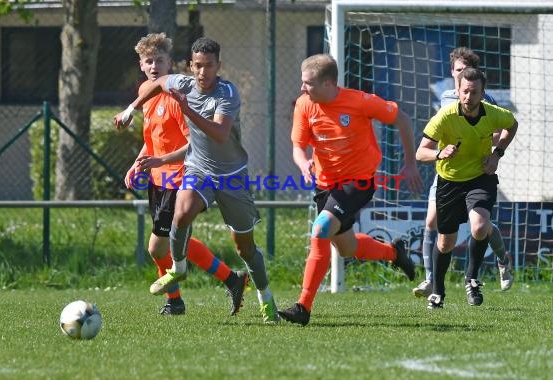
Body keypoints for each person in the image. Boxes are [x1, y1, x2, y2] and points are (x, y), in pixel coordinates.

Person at [114, 37, 279, 324]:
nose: (203, 73)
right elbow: (157, 84)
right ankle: (178, 270)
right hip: (198, 170)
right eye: (198, 66)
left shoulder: (226, 93)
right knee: (182, 212)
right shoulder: (183, 84)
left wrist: (186, 109)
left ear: (219, 66)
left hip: (230, 177)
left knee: (246, 249)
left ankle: (265, 299)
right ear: (190, 66)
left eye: (209, 66)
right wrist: (132, 108)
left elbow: (219, 134)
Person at [277, 54, 423, 326]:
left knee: (320, 229)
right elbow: (298, 146)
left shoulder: (360, 102)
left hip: (359, 182)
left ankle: (303, 307)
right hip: (325, 185)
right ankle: (394, 253)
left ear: (329, 83)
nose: (302, 88)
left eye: (308, 83)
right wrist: (303, 163)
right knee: (346, 248)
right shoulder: (304, 105)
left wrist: (410, 164)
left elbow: (402, 119)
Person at [413, 47, 514, 298]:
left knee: (479, 226)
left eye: (472, 86)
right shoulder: (446, 102)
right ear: (454, 78)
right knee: (433, 225)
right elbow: (425, 145)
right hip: (447, 173)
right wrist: (440, 151)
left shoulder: (487, 105)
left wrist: (495, 152)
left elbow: (502, 129)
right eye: (458, 73)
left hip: (477, 173)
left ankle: (485, 269)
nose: (467, 92)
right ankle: (431, 281)